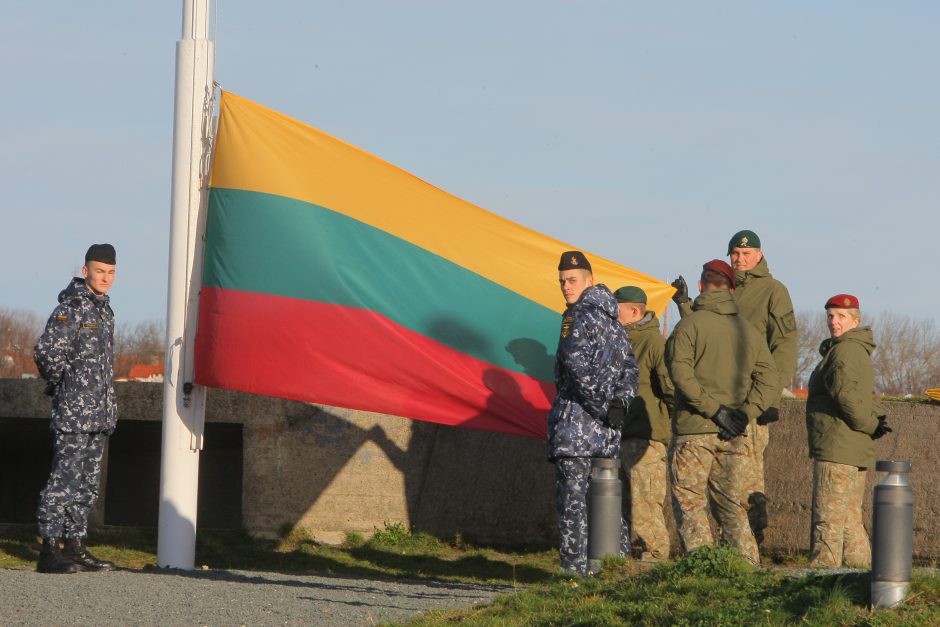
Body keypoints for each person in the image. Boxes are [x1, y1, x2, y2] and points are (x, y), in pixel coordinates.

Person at [671, 229, 796, 545]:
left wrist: (769, 399)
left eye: (746, 254)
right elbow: (703, 332)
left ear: (760, 254)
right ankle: (738, 555)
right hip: (716, 401)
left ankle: (751, 555)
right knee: (727, 489)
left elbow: (783, 345)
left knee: (747, 487)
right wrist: (685, 304)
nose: (740, 260)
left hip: (750, 398)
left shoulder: (773, 291)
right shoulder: (726, 287)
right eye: (735, 255)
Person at [666, 260, 777, 565]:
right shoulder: (750, 332)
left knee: (690, 504)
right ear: (731, 289)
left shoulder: (688, 327)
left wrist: (715, 411)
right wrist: (743, 413)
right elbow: (770, 380)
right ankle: (746, 574)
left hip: (693, 431)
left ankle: (705, 575)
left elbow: (680, 374)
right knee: (733, 509)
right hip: (735, 435)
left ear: (701, 286)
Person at [548, 250, 639, 576]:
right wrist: (619, 405)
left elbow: (574, 366)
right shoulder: (615, 323)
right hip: (607, 435)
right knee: (609, 508)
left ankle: (574, 577)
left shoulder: (575, 317)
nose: (565, 287)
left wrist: (602, 407)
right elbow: (631, 371)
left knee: (574, 509)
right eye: (562, 282)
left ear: (590, 281)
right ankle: (616, 572)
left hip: (576, 433)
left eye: (571, 280)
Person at [33, 244, 119, 573]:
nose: (105, 278)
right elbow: (48, 354)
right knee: (63, 481)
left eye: (111, 272)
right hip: (74, 412)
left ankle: (75, 545)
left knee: (87, 483)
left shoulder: (104, 311)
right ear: (86, 271)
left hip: (98, 413)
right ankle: (49, 549)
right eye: (100, 271)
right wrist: (65, 386)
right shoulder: (72, 308)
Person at [806, 294, 889, 568]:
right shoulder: (856, 349)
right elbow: (864, 396)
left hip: (837, 446)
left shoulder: (844, 351)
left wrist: (870, 424)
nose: (834, 322)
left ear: (856, 319)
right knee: (850, 520)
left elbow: (846, 397)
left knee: (828, 520)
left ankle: (820, 584)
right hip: (852, 448)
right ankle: (862, 577)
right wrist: (872, 422)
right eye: (830, 316)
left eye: (841, 316)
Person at [613, 285, 674, 562]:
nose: (612, 315)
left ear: (634, 311)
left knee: (646, 504)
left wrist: (662, 423)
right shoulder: (619, 340)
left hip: (645, 437)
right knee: (624, 505)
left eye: (617, 310)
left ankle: (656, 560)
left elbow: (670, 388)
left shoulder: (652, 343)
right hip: (621, 435)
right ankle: (626, 561)